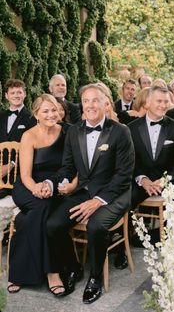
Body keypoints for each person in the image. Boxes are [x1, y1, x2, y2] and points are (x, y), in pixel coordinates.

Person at [46, 84, 135, 304]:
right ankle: (74, 267)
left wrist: (98, 201)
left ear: (106, 103)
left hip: (115, 192)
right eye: (86, 101)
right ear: (82, 105)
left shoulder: (120, 131)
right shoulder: (74, 131)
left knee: (96, 226)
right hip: (84, 189)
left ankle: (95, 278)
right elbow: (67, 167)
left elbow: (124, 175)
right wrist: (52, 182)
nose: (90, 105)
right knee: (53, 225)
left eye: (95, 100)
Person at [8, 94, 78, 296]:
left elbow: (71, 166)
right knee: (41, 207)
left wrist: (52, 186)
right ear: (36, 114)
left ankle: (18, 273)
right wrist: (36, 188)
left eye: (54, 110)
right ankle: (53, 272)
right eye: (45, 111)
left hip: (55, 185)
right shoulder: (28, 136)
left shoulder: (67, 132)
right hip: (28, 186)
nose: (51, 114)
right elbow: (25, 175)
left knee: (26, 218)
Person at [129, 86, 174, 209]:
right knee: (125, 199)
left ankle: (171, 228)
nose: (163, 105)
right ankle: (131, 228)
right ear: (148, 103)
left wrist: (163, 181)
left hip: (169, 182)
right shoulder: (131, 129)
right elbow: (129, 161)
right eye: (159, 101)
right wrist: (143, 180)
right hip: (141, 182)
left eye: (166, 101)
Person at [0, 79, 36, 198]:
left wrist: (11, 164)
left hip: (19, 173)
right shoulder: (1, 117)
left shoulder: (32, 118)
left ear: (24, 94)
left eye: (19, 92)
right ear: (6, 95)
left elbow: (34, 148)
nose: (16, 95)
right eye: (12, 93)